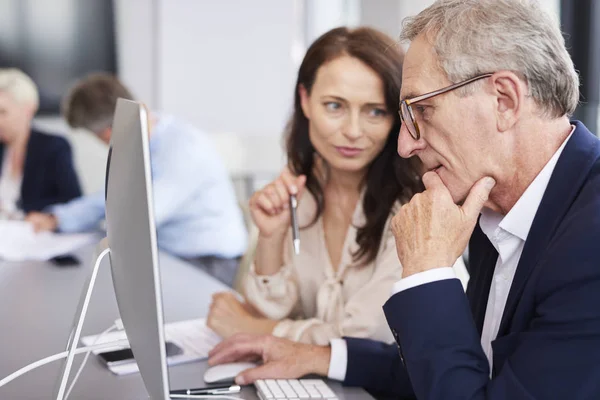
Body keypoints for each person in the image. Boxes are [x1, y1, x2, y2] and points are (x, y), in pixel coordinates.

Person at [206, 0, 600, 398]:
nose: (405, 144)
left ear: (504, 100)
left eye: (423, 110)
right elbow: (456, 370)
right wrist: (322, 356)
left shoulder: (590, 240)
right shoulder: (493, 207)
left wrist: (427, 270)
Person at [207, 26, 459, 346]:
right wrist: (271, 237)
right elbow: (267, 310)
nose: (353, 131)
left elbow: (370, 338)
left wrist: (257, 331)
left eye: (375, 111)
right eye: (335, 106)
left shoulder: (416, 205)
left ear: (396, 118)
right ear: (305, 100)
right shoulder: (301, 187)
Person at [26, 73, 247, 287]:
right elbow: (108, 198)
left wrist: (99, 229)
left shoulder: (182, 149)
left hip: (208, 263)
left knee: (107, 291)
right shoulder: (139, 141)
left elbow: (139, 220)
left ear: (108, 131)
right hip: (169, 255)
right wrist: (57, 218)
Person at [0, 68, 81, 217]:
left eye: (3, 112)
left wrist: (13, 208)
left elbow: (73, 202)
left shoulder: (54, 147)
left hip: (37, 235)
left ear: (27, 110)